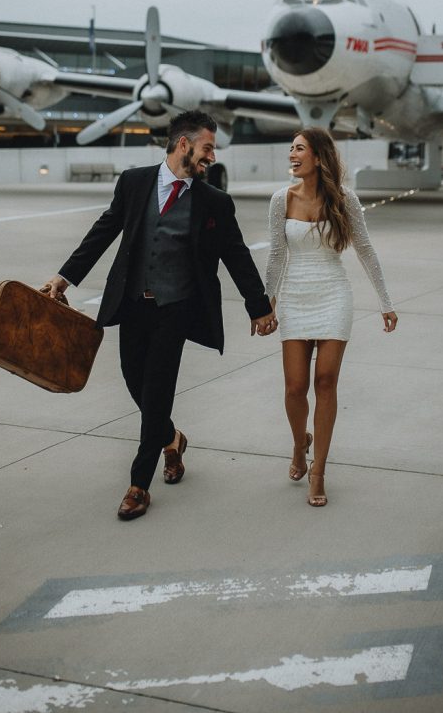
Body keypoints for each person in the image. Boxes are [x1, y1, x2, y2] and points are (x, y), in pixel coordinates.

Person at [42, 110, 277, 521]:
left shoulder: (214, 202)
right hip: (133, 303)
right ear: (183, 144)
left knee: (157, 392)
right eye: (207, 148)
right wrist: (65, 278)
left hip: (178, 309)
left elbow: (235, 254)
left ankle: (138, 484)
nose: (211, 157)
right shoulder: (134, 183)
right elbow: (104, 230)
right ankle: (172, 438)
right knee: (135, 379)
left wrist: (258, 307)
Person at [265, 127, 397, 508]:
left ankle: (319, 471)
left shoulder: (345, 199)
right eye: (290, 147)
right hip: (294, 294)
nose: (292, 153)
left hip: (334, 294)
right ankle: (298, 444)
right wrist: (266, 303)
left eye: (300, 148)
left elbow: (366, 251)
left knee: (325, 381)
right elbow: (276, 255)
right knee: (294, 387)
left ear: (319, 157)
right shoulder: (281, 199)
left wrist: (385, 302)